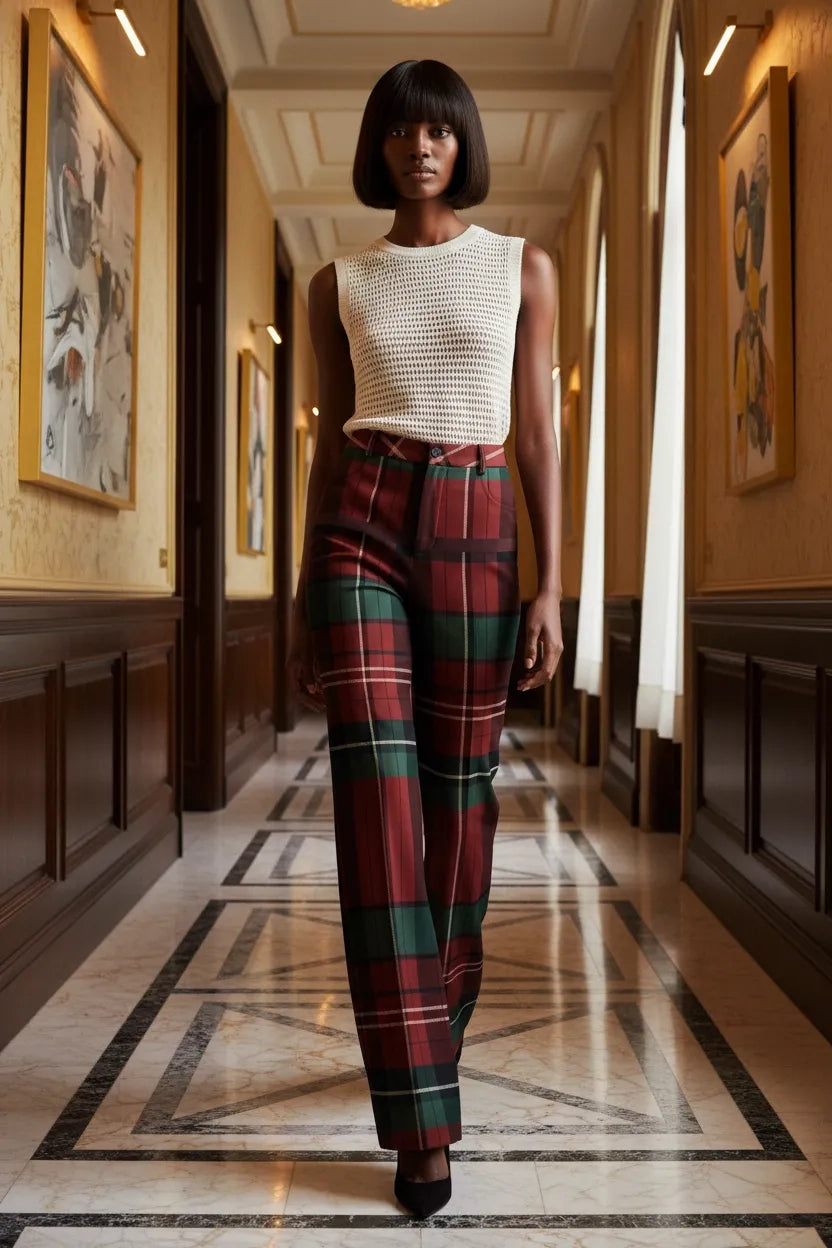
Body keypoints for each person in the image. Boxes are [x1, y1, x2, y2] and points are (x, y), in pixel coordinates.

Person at [287, 58, 563, 1219]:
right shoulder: (332, 281)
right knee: (378, 803)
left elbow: (538, 432)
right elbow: (322, 441)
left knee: (457, 804)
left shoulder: (521, 267)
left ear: (463, 144)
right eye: (399, 131)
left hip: (475, 523)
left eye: (438, 131)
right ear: (377, 146)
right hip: (360, 522)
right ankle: (421, 1126)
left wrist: (556, 589)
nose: (419, 149)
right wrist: (306, 586)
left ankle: (425, 1029)